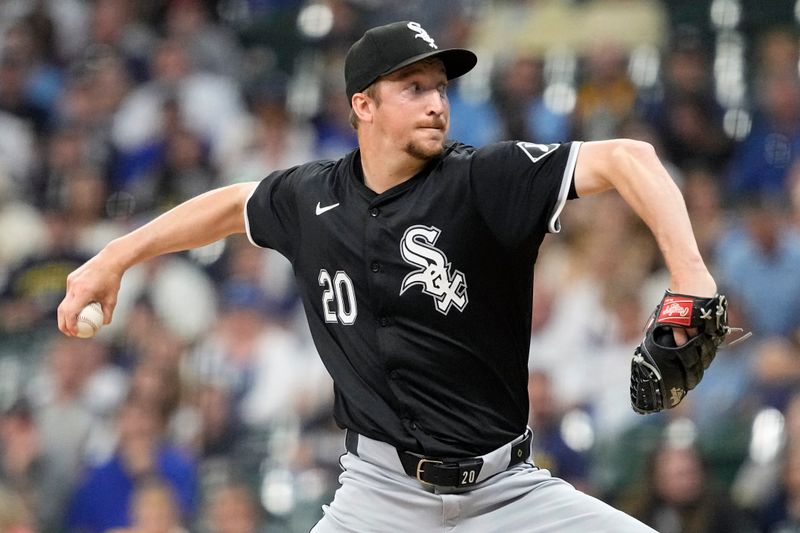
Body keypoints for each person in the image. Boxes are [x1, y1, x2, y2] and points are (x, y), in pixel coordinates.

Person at [58, 21, 718, 532]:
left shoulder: (483, 179)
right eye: (414, 87)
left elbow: (632, 159)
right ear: (364, 106)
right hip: (377, 499)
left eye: (439, 87)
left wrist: (691, 276)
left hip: (508, 495)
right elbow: (232, 205)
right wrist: (115, 255)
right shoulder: (312, 198)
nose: (436, 102)